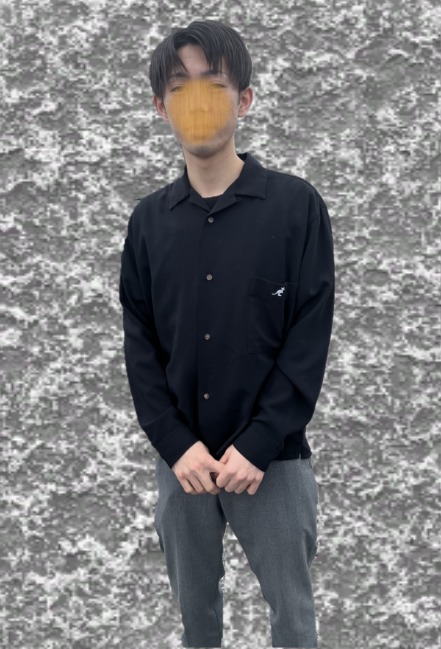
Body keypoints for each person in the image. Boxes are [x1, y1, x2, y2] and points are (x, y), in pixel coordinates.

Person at [119, 18, 334, 648]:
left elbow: (308, 336)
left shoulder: (296, 207)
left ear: (244, 99)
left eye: (214, 85)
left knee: (293, 621)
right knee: (196, 625)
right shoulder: (148, 223)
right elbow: (141, 343)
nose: (198, 101)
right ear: (161, 106)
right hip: (182, 464)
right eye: (180, 87)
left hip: (273, 460)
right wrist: (174, 443)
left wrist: (261, 441)